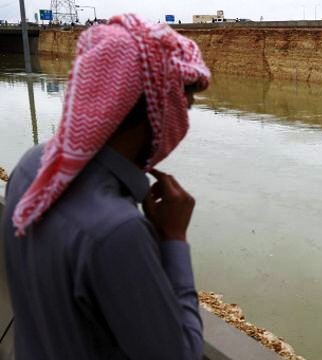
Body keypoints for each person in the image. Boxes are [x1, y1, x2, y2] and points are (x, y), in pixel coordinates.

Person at [1, 14, 210, 360]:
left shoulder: (31, 167)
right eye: (183, 107)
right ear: (154, 110)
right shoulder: (117, 231)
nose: (183, 124)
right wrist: (174, 239)